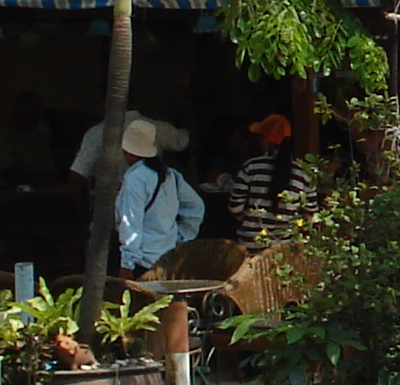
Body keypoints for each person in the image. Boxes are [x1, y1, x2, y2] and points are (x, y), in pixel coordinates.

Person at [115, 116, 207, 274]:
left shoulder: (135, 178)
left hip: (142, 261)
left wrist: (127, 263)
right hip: (169, 257)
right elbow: (196, 207)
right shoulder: (171, 175)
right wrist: (182, 236)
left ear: (128, 151)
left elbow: (131, 222)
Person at [222, 112, 292, 244]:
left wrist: (252, 221)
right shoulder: (302, 173)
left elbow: (235, 207)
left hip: (252, 244)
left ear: (265, 140)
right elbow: (310, 214)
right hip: (286, 249)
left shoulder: (251, 167)